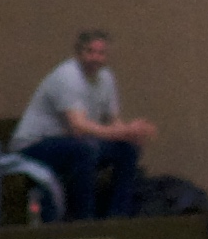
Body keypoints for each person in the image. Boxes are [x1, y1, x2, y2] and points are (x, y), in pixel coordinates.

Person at [12, 28, 154, 220]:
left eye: (101, 53)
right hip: (35, 145)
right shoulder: (67, 76)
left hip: (73, 143)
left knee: (127, 149)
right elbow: (78, 127)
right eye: (90, 51)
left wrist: (131, 134)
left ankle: (118, 216)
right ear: (79, 53)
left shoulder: (106, 78)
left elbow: (113, 122)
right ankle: (84, 218)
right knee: (86, 149)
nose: (95, 58)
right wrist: (125, 131)